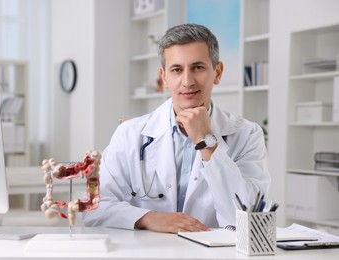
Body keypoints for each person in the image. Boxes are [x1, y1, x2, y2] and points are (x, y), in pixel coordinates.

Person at [82, 23, 270, 233]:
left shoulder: (247, 135)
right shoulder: (130, 134)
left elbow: (247, 218)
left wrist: (207, 140)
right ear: (164, 77)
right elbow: (92, 206)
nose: (187, 81)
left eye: (198, 67)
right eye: (177, 70)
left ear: (218, 72)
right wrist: (148, 218)